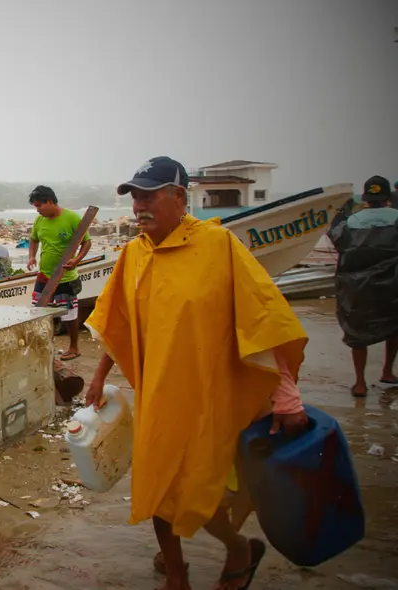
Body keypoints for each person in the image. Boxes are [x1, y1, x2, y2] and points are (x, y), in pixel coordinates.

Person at [83, 156, 310, 590]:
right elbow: (118, 324)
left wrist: (286, 395)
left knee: (203, 491)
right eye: (134, 198)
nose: (138, 207)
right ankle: (175, 574)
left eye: (148, 196)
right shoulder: (133, 254)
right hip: (158, 397)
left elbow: (263, 321)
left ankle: (239, 548)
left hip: (210, 398)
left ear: (179, 198)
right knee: (157, 488)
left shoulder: (219, 246)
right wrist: (98, 377)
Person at [327, 175, 398, 397]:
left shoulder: (351, 222)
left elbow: (338, 240)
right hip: (392, 285)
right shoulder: (396, 218)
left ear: (365, 198)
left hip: (357, 286)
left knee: (357, 332)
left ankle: (360, 383)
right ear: (387, 197)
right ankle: (387, 371)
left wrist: (340, 211)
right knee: (394, 326)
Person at [25, 185, 92, 360]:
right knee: (38, 310)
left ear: (50, 201)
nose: (38, 210)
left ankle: (74, 347)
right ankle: (43, 345)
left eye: (39, 206)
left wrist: (76, 260)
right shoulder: (40, 221)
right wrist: (31, 256)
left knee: (69, 314)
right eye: (35, 207)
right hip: (44, 275)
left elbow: (86, 243)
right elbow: (33, 239)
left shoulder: (71, 218)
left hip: (65, 276)